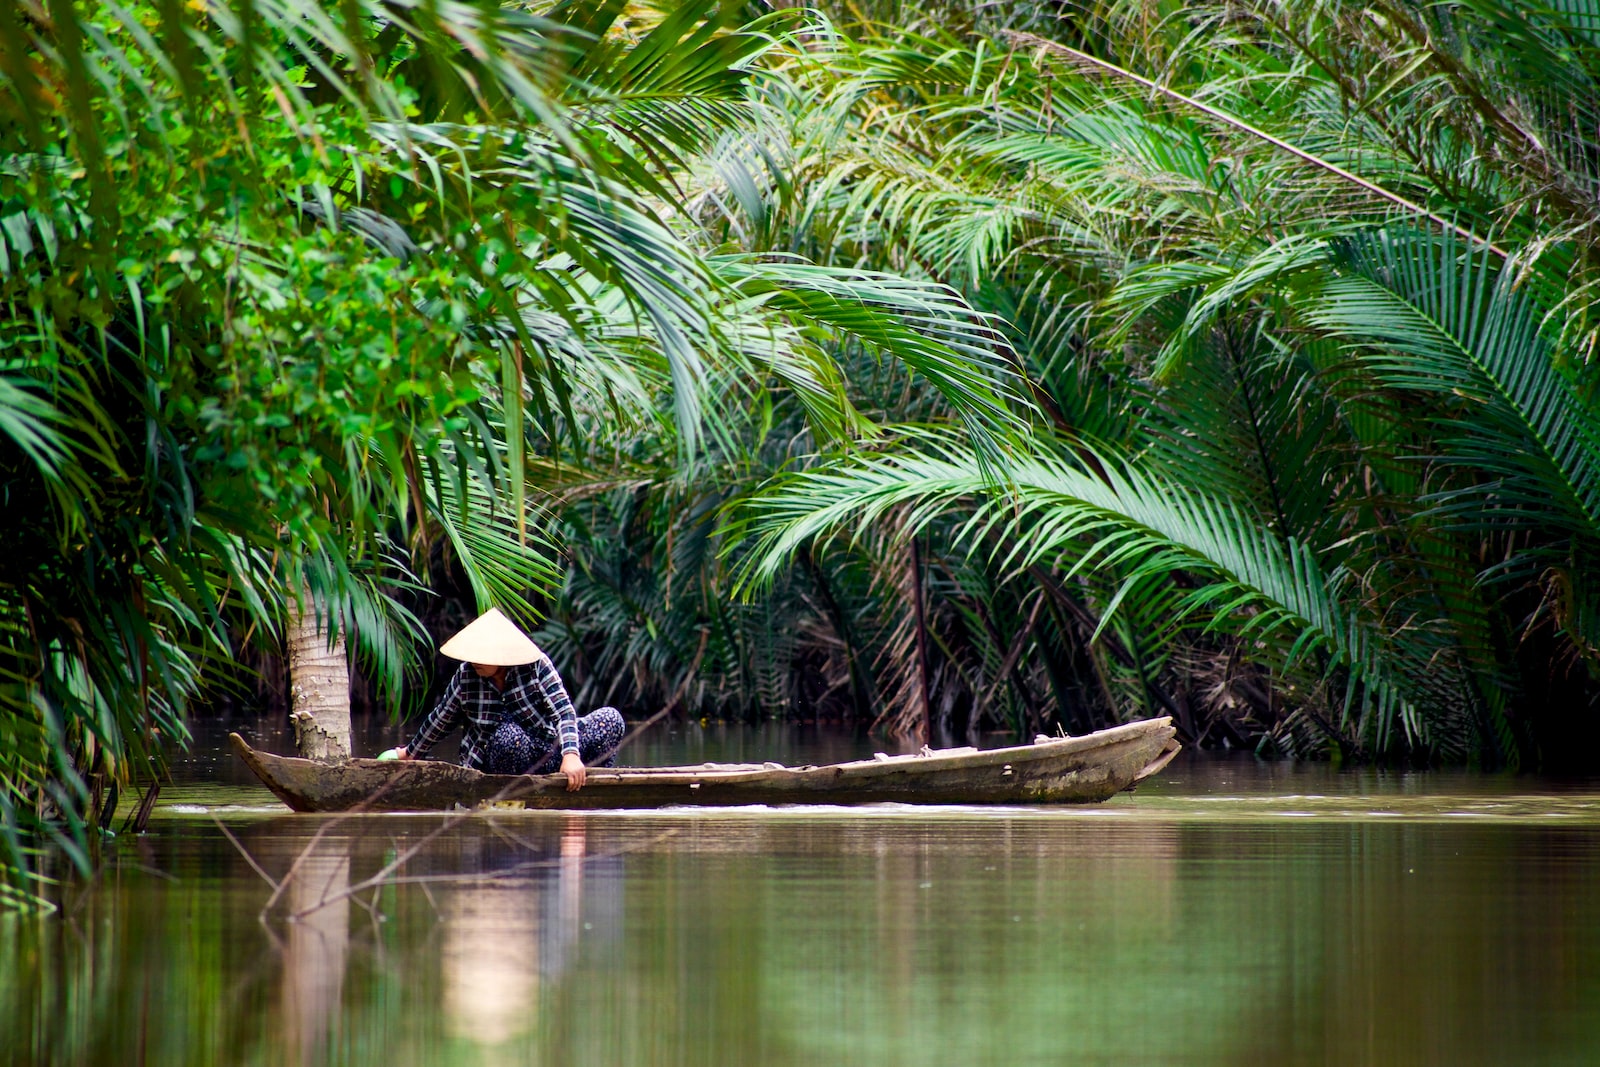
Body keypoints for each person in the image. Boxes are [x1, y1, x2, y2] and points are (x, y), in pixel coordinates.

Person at [391, 607, 625, 791]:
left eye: (482, 656)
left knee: (610, 719)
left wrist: (571, 755)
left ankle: (581, 782)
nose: (475, 661)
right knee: (509, 739)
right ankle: (518, 792)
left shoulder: (535, 666)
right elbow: (441, 720)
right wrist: (412, 753)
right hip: (499, 759)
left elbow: (563, 711)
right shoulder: (466, 676)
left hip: (545, 750)